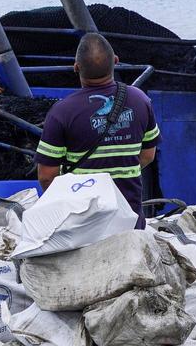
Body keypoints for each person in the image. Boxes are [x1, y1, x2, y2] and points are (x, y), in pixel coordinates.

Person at [36, 33, 160, 223]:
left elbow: (46, 176)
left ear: (76, 67)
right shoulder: (140, 99)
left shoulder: (62, 111)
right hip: (130, 222)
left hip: (81, 226)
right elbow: (148, 155)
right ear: (116, 61)